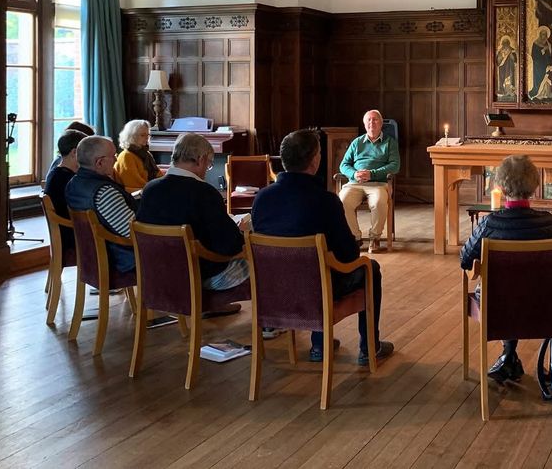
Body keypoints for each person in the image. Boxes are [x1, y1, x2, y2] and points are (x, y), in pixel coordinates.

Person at [253, 129, 394, 365]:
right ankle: (369, 348)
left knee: (312, 265)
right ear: (315, 160)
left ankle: (321, 345)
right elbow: (348, 256)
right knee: (369, 268)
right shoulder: (325, 201)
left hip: (274, 288)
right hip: (317, 289)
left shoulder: (262, 198)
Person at [459, 155, 552, 383]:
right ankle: (512, 359)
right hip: (543, 304)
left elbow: (465, 260)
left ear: (500, 185)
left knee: (501, 287)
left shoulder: (489, 224)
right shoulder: (550, 223)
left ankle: (508, 356)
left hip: (498, 305)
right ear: (534, 185)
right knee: (522, 285)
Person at [137, 133, 248, 290]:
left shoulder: (150, 189)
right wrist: (238, 232)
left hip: (156, 273)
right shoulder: (204, 192)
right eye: (209, 164)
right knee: (254, 261)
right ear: (200, 159)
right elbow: (229, 246)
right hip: (197, 277)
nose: (207, 170)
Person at [65, 136, 137, 274]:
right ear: (99, 163)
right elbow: (133, 232)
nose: (116, 160)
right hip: (122, 261)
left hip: (94, 256)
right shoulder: (104, 192)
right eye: (113, 156)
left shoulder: (73, 183)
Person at [338, 110, 400, 253]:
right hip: (355, 183)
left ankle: (375, 239)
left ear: (381, 123)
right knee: (342, 201)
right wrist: (354, 173)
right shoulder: (357, 142)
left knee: (378, 202)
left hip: (378, 183)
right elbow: (344, 165)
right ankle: (355, 238)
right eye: (369, 120)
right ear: (365, 124)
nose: (372, 122)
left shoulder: (390, 143)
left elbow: (395, 166)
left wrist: (372, 174)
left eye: (375, 120)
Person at [43, 129, 89, 253]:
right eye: (86, 152)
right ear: (74, 152)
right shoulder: (66, 179)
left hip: (69, 231)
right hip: (73, 236)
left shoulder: (57, 173)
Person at [114, 119, 160, 193]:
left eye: (148, 135)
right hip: (136, 196)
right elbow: (134, 184)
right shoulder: (127, 156)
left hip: (148, 191)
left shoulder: (146, 154)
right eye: (142, 135)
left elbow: (158, 175)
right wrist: (156, 189)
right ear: (132, 136)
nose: (147, 138)